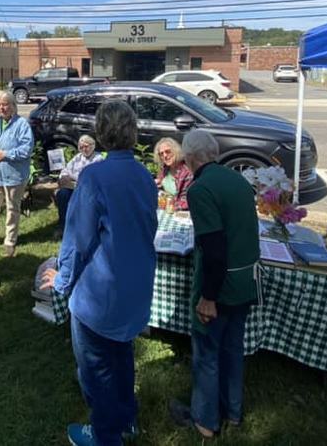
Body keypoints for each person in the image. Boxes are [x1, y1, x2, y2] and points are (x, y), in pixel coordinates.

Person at [41, 100, 158, 446]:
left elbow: (77, 240)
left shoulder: (94, 177)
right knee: (121, 357)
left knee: (94, 370)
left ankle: (107, 435)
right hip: (136, 286)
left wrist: (60, 280)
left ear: (102, 133)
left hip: (101, 294)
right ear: (132, 131)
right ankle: (127, 419)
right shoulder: (144, 175)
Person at [168, 129, 259, 439]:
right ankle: (233, 412)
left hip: (221, 286)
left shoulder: (200, 189)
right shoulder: (238, 180)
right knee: (233, 350)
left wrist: (208, 298)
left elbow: (215, 248)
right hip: (247, 281)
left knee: (207, 353)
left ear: (191, 158)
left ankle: (205, 421)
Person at [0, 92, 33, 257]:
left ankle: (10, 241)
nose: (2, 108)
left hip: (14, 176)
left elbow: (27, 149)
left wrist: (7, 154)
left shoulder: (22, 124)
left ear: (13, 106)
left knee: (12, 208)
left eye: (5, 104)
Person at [53, 135, 103, 238]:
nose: (83, 149)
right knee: (62, 194)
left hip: (89, 190)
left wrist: (71, 176)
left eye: (86, 146)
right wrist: (63, 176)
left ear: (93, 146)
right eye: (81, 147)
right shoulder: (77, 157)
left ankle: (84, 228)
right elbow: (65, 170)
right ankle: (63, 225)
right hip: (73, 187)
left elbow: (89, 177)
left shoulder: (98, 158)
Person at [154, 137, 193, 211]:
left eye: (168, 151)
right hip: (165, 209)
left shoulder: (187, 173)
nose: (165, 156)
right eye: (161, 154)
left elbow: (186, 201)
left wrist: (168, 205)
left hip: (180, 213)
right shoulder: (164, 169)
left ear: (176, 151)